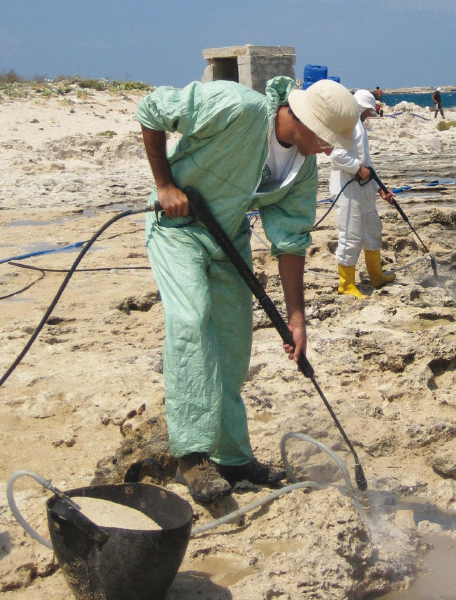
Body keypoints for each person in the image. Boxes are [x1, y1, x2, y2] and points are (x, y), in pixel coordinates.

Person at [136, 77, 360, 503]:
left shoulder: (303, 169)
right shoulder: (235, 105)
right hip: (176, 229)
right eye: (327, 139)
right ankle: (192, 456)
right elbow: (151, 109)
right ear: (304, 120)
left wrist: (297, 320)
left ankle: (233, 458)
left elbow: (291, 242)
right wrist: (165, 186)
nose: (331, 150)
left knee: (234, 343)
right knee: (190, 320)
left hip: (227, 238)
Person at [329, 90, 397, 299]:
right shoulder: (348, 125)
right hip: (348, 190)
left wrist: (381, 189)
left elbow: (368, 164)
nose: (370, 114)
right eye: (368, 110)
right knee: (351, 235)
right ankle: (346, 284)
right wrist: (358, 169)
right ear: (362, 107)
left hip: (364, 190)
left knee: (372, 230)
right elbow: (336, 155)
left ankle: (376, 275)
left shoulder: (360, 126)